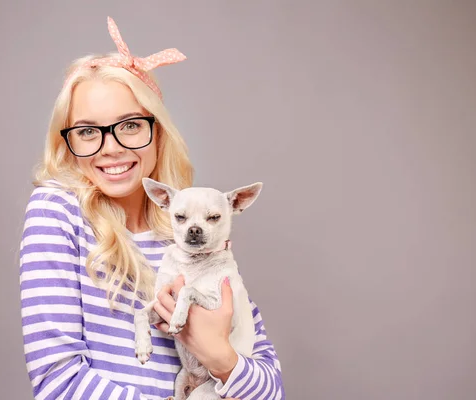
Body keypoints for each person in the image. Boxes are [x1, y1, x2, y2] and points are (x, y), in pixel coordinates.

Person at [18, 16, 284, 400]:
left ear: (157, 131)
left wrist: (222, 358)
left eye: (129, 125)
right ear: (67, 141)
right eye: (88, 131)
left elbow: (271, 389)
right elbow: (58, 382)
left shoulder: (188, 230)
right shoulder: (57, 210)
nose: (110, 148)